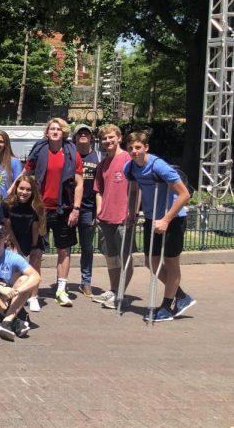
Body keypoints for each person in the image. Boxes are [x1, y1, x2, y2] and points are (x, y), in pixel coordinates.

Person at [124, 131, 195, 322]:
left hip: (172, 218)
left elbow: (185, 194)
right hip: (150, 218)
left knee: (171, 263)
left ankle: (166, 305)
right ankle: (181, 296)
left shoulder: (160, 167)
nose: (134, 151)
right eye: (130, 148)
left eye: (138, 147)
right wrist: (132, 212)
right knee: (150, 262)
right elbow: (133, 190)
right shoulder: (129, 167)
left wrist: (166, 219)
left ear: (146, 147)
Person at [23, 118, 83, 307]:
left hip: (64, 208)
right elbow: (25, 175)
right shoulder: (39, 150)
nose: (55, 131)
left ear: (64, 132)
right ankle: (33, 294)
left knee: (64, 250)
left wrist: (76, 208)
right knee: (36, 251)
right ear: (47, 132)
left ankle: (61, 290)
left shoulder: (72, 153)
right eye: (52, 129)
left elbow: (79, 183)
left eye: (58, 129)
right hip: (40, 209)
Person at [93, 124, 135, 308]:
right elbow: (99, 191)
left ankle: (120, 294)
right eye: (104, 139)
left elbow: (135, 189)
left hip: (123, 218)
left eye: (111, 137)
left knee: (125, 257)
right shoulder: (102, 164)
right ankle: (113, 288)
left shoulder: (128, 160)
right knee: (110, 256)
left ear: (119, 138)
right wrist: (99, 212)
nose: (108, 141)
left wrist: (132, 212)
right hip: (106, 218)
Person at [3, 174, 46, 313]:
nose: (24, 192)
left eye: (28, 190)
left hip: (31, 237)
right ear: (16, 188)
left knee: (36, 258)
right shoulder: (7, 204)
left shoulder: (37, 205)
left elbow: (36, 228)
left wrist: (34, 247)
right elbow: (8, 228)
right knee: (15, 261)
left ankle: (33, 296)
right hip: (14, 237)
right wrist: (16, 247)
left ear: (32, 191)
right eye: (21, 188)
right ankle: (15, 294)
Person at [73, 124, 102, 297]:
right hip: (70, 208)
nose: (83, 135)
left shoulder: (98, 156)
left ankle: (86, 282)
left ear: (91, 138)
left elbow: (101, 186)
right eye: (80, 133)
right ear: (75, 137)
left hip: (89, 209)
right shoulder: (70, 154)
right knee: (64, 248)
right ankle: (62, 283)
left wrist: (98, 211)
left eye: (86, 133)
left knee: (87, 247)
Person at [0, 130, 24, 198]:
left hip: (7, 203)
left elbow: (19, 185)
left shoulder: (15, 162)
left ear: (6, 144)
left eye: (1, 142)